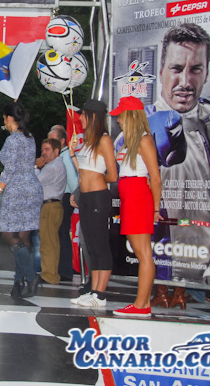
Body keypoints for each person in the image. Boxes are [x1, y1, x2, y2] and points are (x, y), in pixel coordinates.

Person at [147, 22, 210, 286]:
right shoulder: (142, 127)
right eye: (176, 69)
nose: (185, 82)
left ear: (206, 73)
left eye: (195, 69)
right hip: (166, 266)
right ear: (161, 72)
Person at [109, 96, 163, 317]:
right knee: (141, 252)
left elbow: (156, 178)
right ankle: (143, 303)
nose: (118, 120)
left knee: (143, 253)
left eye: (121, 116)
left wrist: (156, 209)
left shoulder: (144, 140)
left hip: (138, 196)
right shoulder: (131, 141)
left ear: (131, 116)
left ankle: (141, 306)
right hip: (130, 196)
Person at [0, 102, 44, 298]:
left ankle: (31, 276)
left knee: (9, 235)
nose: (3, 122)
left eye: (4, 118)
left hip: (18, 190)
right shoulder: (29, 137)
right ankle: (19, 283)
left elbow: (9, 169)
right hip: (32, 189)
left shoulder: (12, 141)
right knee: (24, 237)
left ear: (10, 118)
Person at [68, 99, 118, 308]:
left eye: (83, 114)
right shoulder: (88, 140)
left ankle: (100, 294)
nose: (80, 118)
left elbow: (112, 175)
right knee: (90, 245)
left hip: (98, 196)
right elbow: (83, 171)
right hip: (86, 198)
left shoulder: (104, 139)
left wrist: (96, 179)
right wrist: (72, 153)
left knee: (100, 245)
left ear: (93, 116)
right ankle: (93, 290)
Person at [48, 125, 80, 280]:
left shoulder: (66, 157)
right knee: (59, 234)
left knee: (61, 234)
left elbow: (73, 180)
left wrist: (76, 196)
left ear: (62, 141)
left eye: (53, 140)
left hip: (65, 198)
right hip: (62, 198)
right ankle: (61, 270)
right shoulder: (59, 156)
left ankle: (64, 271)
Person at [35, 138, 67, 286]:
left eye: (47, 150)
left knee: (48, 243)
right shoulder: (57, 165)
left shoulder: (51, 167)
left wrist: (36, 167)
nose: (44, 153)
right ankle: (50, 273)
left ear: (56, 151)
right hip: (53, 206)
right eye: (42, 150)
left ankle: (49, 275)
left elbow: (35, 183)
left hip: (49, 206)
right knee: (51, 242)